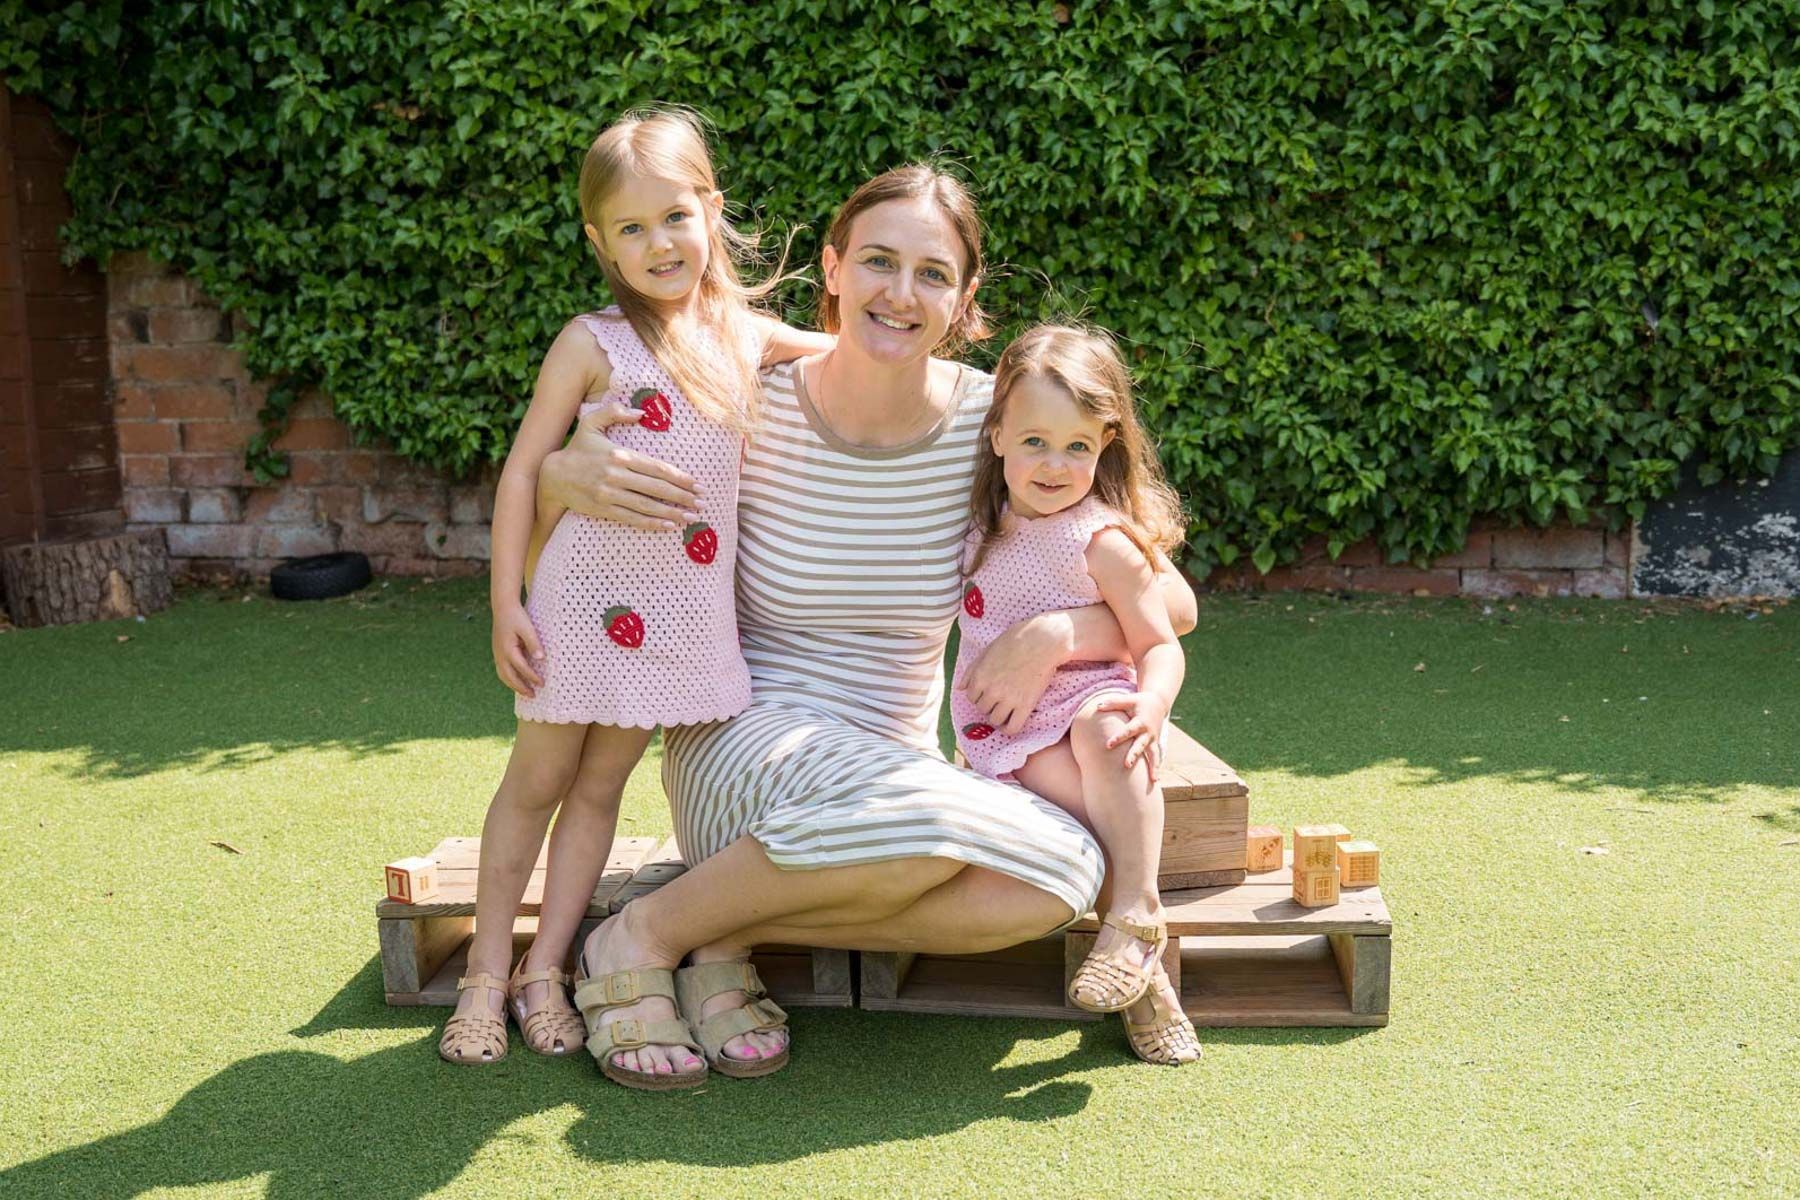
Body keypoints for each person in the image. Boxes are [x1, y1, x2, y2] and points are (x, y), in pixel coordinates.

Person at [538, 164, 1199, 1089]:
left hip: (891, 771)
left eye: (933, 274)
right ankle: (634, 940)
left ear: (965, 298)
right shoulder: (743, 399)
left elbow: (1171, 606)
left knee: (1061, 873)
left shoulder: (997, 425)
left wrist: (1056, 633)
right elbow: (597, 518)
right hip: (743, 743)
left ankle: (714, 926)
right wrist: (556, 480)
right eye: (879, 262)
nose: (901, 293)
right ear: (833, 268)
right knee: (935, 822)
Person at [438, 108, 826, 1076]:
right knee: (536, 783)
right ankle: (482, 977)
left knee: (601, 789)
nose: (660, 244)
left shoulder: (743, 336)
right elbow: (523, 474)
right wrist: (504, 604)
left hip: (678, 622)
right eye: (632, 228)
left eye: (676, 217)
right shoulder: (591, 342)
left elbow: (852, 356)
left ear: (712, 210)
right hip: (578, 611)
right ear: (599, 241)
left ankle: (544, 971)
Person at [951, 323, 1199, 1064]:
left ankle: (1136, 912)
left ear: (1105, 444)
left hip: (1095, 707)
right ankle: (1146, 969)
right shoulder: (976, 527)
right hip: (1011, 730)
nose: (1054, 465)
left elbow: (1161, 642)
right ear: (997, 434)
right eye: (1034, 441)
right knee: (1083, 819)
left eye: (1076, 447)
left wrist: (1153, 705)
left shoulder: (1104, 542)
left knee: (1105, 734)